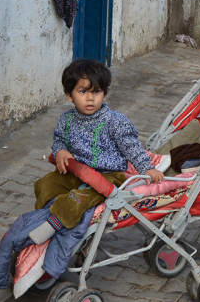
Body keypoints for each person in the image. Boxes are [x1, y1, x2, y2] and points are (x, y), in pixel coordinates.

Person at [28, 59, 164, 243]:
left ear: (105, 94)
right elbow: (60, 139)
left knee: (78, 199)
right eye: (83, 92)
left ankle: (54, 223)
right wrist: (60, 151)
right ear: (70, 95)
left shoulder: (115, 121)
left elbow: (132, 148)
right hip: (77, 171)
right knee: (44, 184)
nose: (90, 98)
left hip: (107, 177)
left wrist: (146, 168)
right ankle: (42, 215)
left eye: (96, 92)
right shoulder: (66, 120)